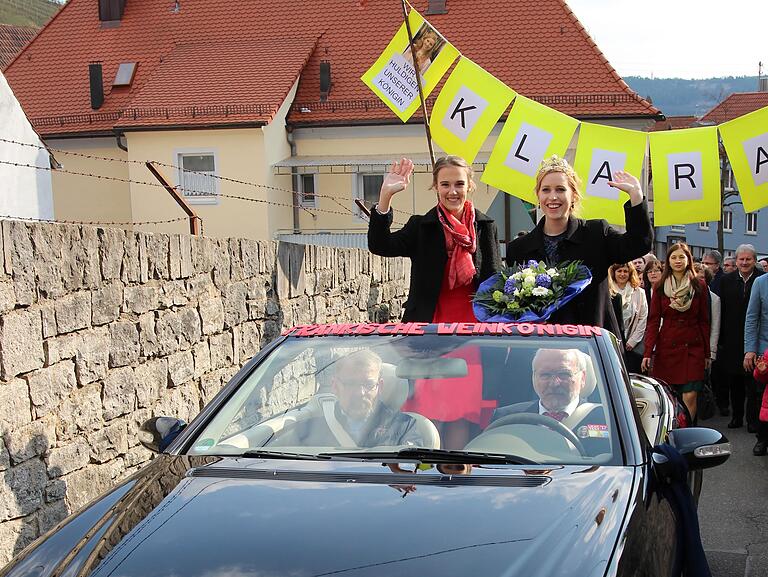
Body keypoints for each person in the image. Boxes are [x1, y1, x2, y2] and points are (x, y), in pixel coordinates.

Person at [506, 156, 652, 340]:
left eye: (560, 189)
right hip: (540, 348)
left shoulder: (596, 233)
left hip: (590, 347)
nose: (553, 197)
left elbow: (638, 244)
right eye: (546, 190)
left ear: (573, 195)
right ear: (538, 195)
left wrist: (636, 198)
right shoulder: (519, 248)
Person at [368, 156, 501, 323]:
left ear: (469, 186)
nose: (452, 191)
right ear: (436, 187)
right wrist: (385, 196)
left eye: (459, 184)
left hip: (477, 329)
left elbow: (494, 279)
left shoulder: (486, 226)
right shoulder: (421, 226)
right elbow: (380, 245)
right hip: (429, 327)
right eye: (445, 184)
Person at [275, 351, 424, 447]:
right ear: (335, 386)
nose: (360, 392)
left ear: (380, 386)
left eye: (368, 384)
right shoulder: (307, 429)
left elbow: (408, 474)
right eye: (351, 384)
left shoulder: (404, 428)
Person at [490, 349, 608, 454]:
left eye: (564, 374)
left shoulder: (607, 419)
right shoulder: (506, 420)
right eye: (545, 375)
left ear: (582, 378)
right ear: (534, 378)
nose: (554, 383)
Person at [642, 243, 710, 420]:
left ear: (688, 259)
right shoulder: (659, 286)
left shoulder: (699, 285)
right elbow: (653, 321)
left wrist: (707, 353)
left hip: (693, 348)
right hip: (667, 347)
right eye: (674, 257)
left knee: (690, 395)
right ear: (668, 261)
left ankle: (688, 432)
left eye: (682, 257)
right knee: (668, 396)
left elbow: (704, 321)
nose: (678, 261)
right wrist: (648, 352)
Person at [719, 244, 764, 429]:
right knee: (735, 381)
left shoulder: (761, 280)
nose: (744, 262)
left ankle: (752, 420)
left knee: (753, 382)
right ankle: (737, 416)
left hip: (754, 337)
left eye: (748, 259)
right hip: (731, 337)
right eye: (741, 259)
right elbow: (719, 310)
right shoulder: (726, 280)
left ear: (755, 260)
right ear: (736, 260)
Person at [742, 270, 768, 454]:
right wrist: (750, 349)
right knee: (762, 397)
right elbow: (752, 318)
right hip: (764, 350)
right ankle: (762, 438)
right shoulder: (761, 283)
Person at [608, 262, 648, 373]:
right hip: (612, 340)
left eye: (625, 271)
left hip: (632, 344)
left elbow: (642, 318)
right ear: (613, 273)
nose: (622, 274)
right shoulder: (608, 291)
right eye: (619, 271)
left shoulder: (639, 293)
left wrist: (632, 341)